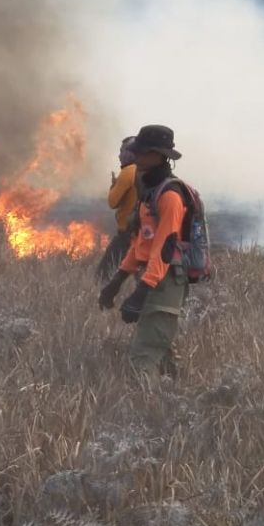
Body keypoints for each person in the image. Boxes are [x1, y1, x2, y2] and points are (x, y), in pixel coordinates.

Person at [98, 125, 188, 383]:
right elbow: (141, 243)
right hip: (152, 278)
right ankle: (176, 404)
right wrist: (116, 282)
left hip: (165, 280)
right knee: (161, 351)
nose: (134, 157)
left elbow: (166, 248)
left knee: (143, 357)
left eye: (141, 152)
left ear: (158, 155)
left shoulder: (170, 196)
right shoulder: (150, 191)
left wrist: (140, 293)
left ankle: (152, 415)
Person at [96, 137, 139, 281]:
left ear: (130, 153)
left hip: (127, 234)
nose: (120, 155)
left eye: (122, 151)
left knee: (104, 273)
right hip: (142, 233)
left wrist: (114, 186)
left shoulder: (128, 172)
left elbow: (112, 202)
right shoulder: (144, 171)